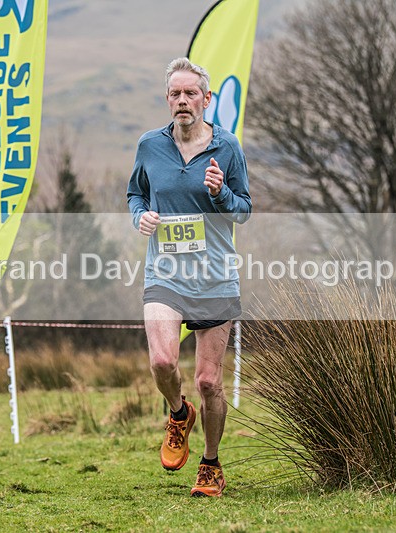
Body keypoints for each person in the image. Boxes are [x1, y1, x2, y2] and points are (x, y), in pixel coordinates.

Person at [126, 57, 251, 497]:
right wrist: (140, 215)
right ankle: (179, 414)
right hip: (166, 273)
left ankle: (211, 463)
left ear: (206, 99)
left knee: (208, 381)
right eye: (175, 94)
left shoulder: (227, 147)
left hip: (215, 277)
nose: (183, 100)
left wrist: (220, 193)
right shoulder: (149, 146)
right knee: (162, 361)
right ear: (168, 100)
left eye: (190, 93)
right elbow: (135, 192)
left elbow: (245, 210)